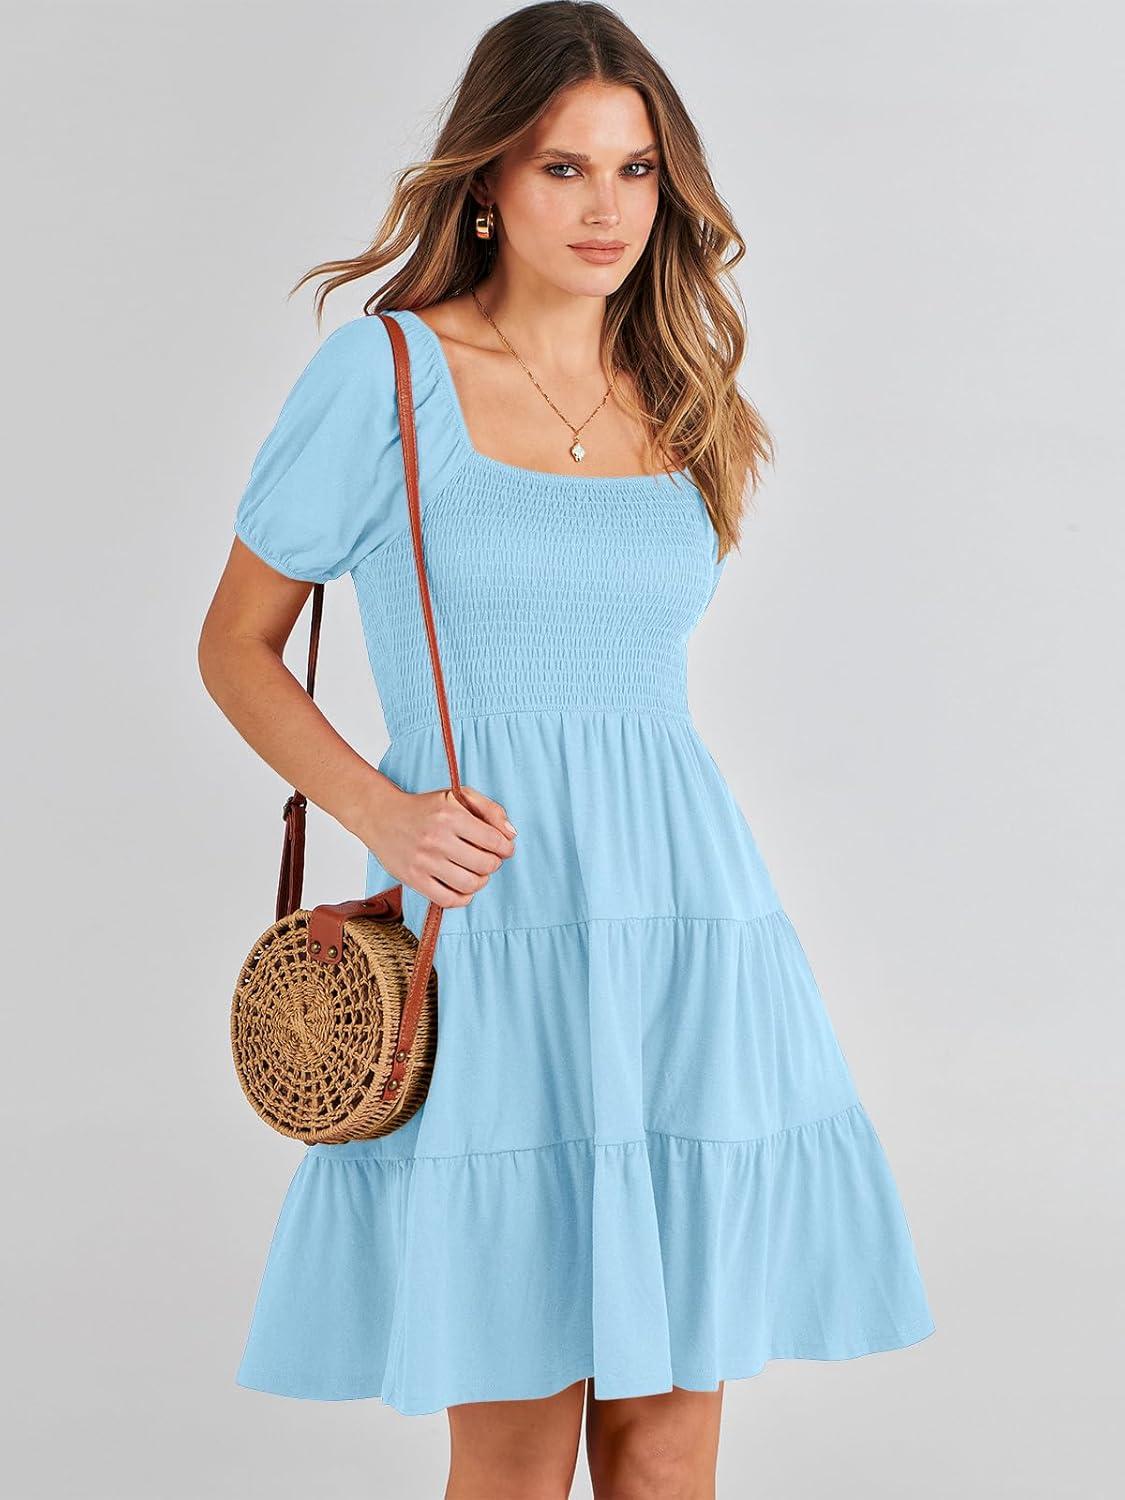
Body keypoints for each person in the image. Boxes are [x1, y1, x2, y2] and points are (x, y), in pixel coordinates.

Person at [197, 4, 934, 1496]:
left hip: (685, 925)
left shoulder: (682, 391)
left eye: (636, 170)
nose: (607, 208)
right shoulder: (385, 375)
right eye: (562, 168)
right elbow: (234, 645)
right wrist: (382, 813)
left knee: (667, 1449)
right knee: (517, 1447)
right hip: (496, 931)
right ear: (485, 181)